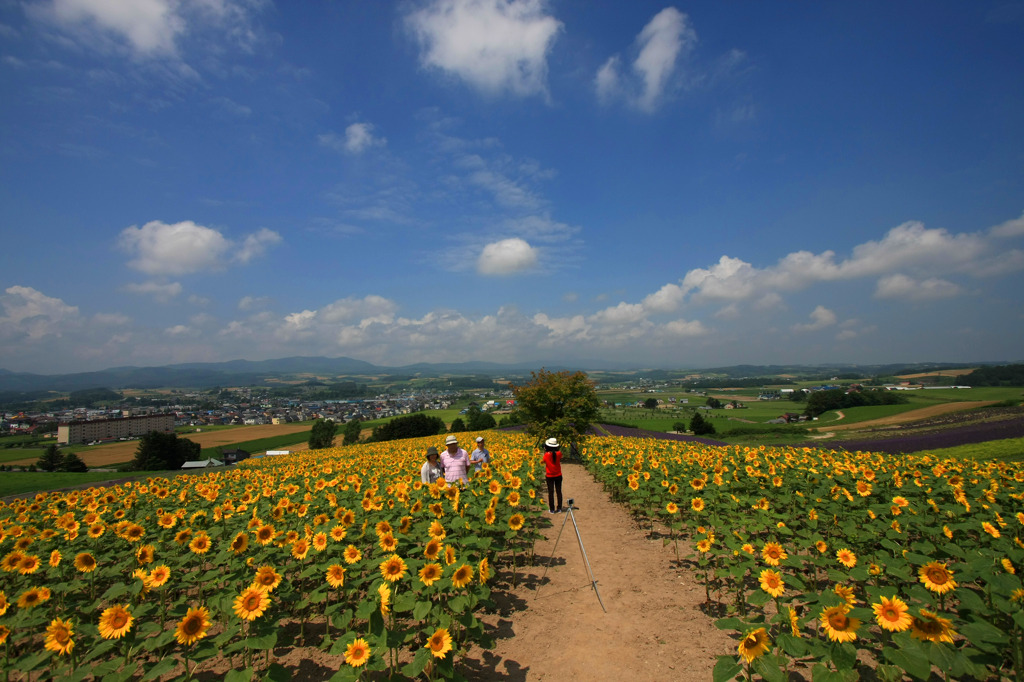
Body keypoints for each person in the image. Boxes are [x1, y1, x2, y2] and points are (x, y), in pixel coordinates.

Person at [543, 437, 563, 513]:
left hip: (549, 476)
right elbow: (559, 456)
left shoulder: (546, 455)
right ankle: (559, 508)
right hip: (558, 475)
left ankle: (552, 509)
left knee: (551, 492)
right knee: (559, 491)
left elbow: (544, 461)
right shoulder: (559, 453)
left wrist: (545, 451)